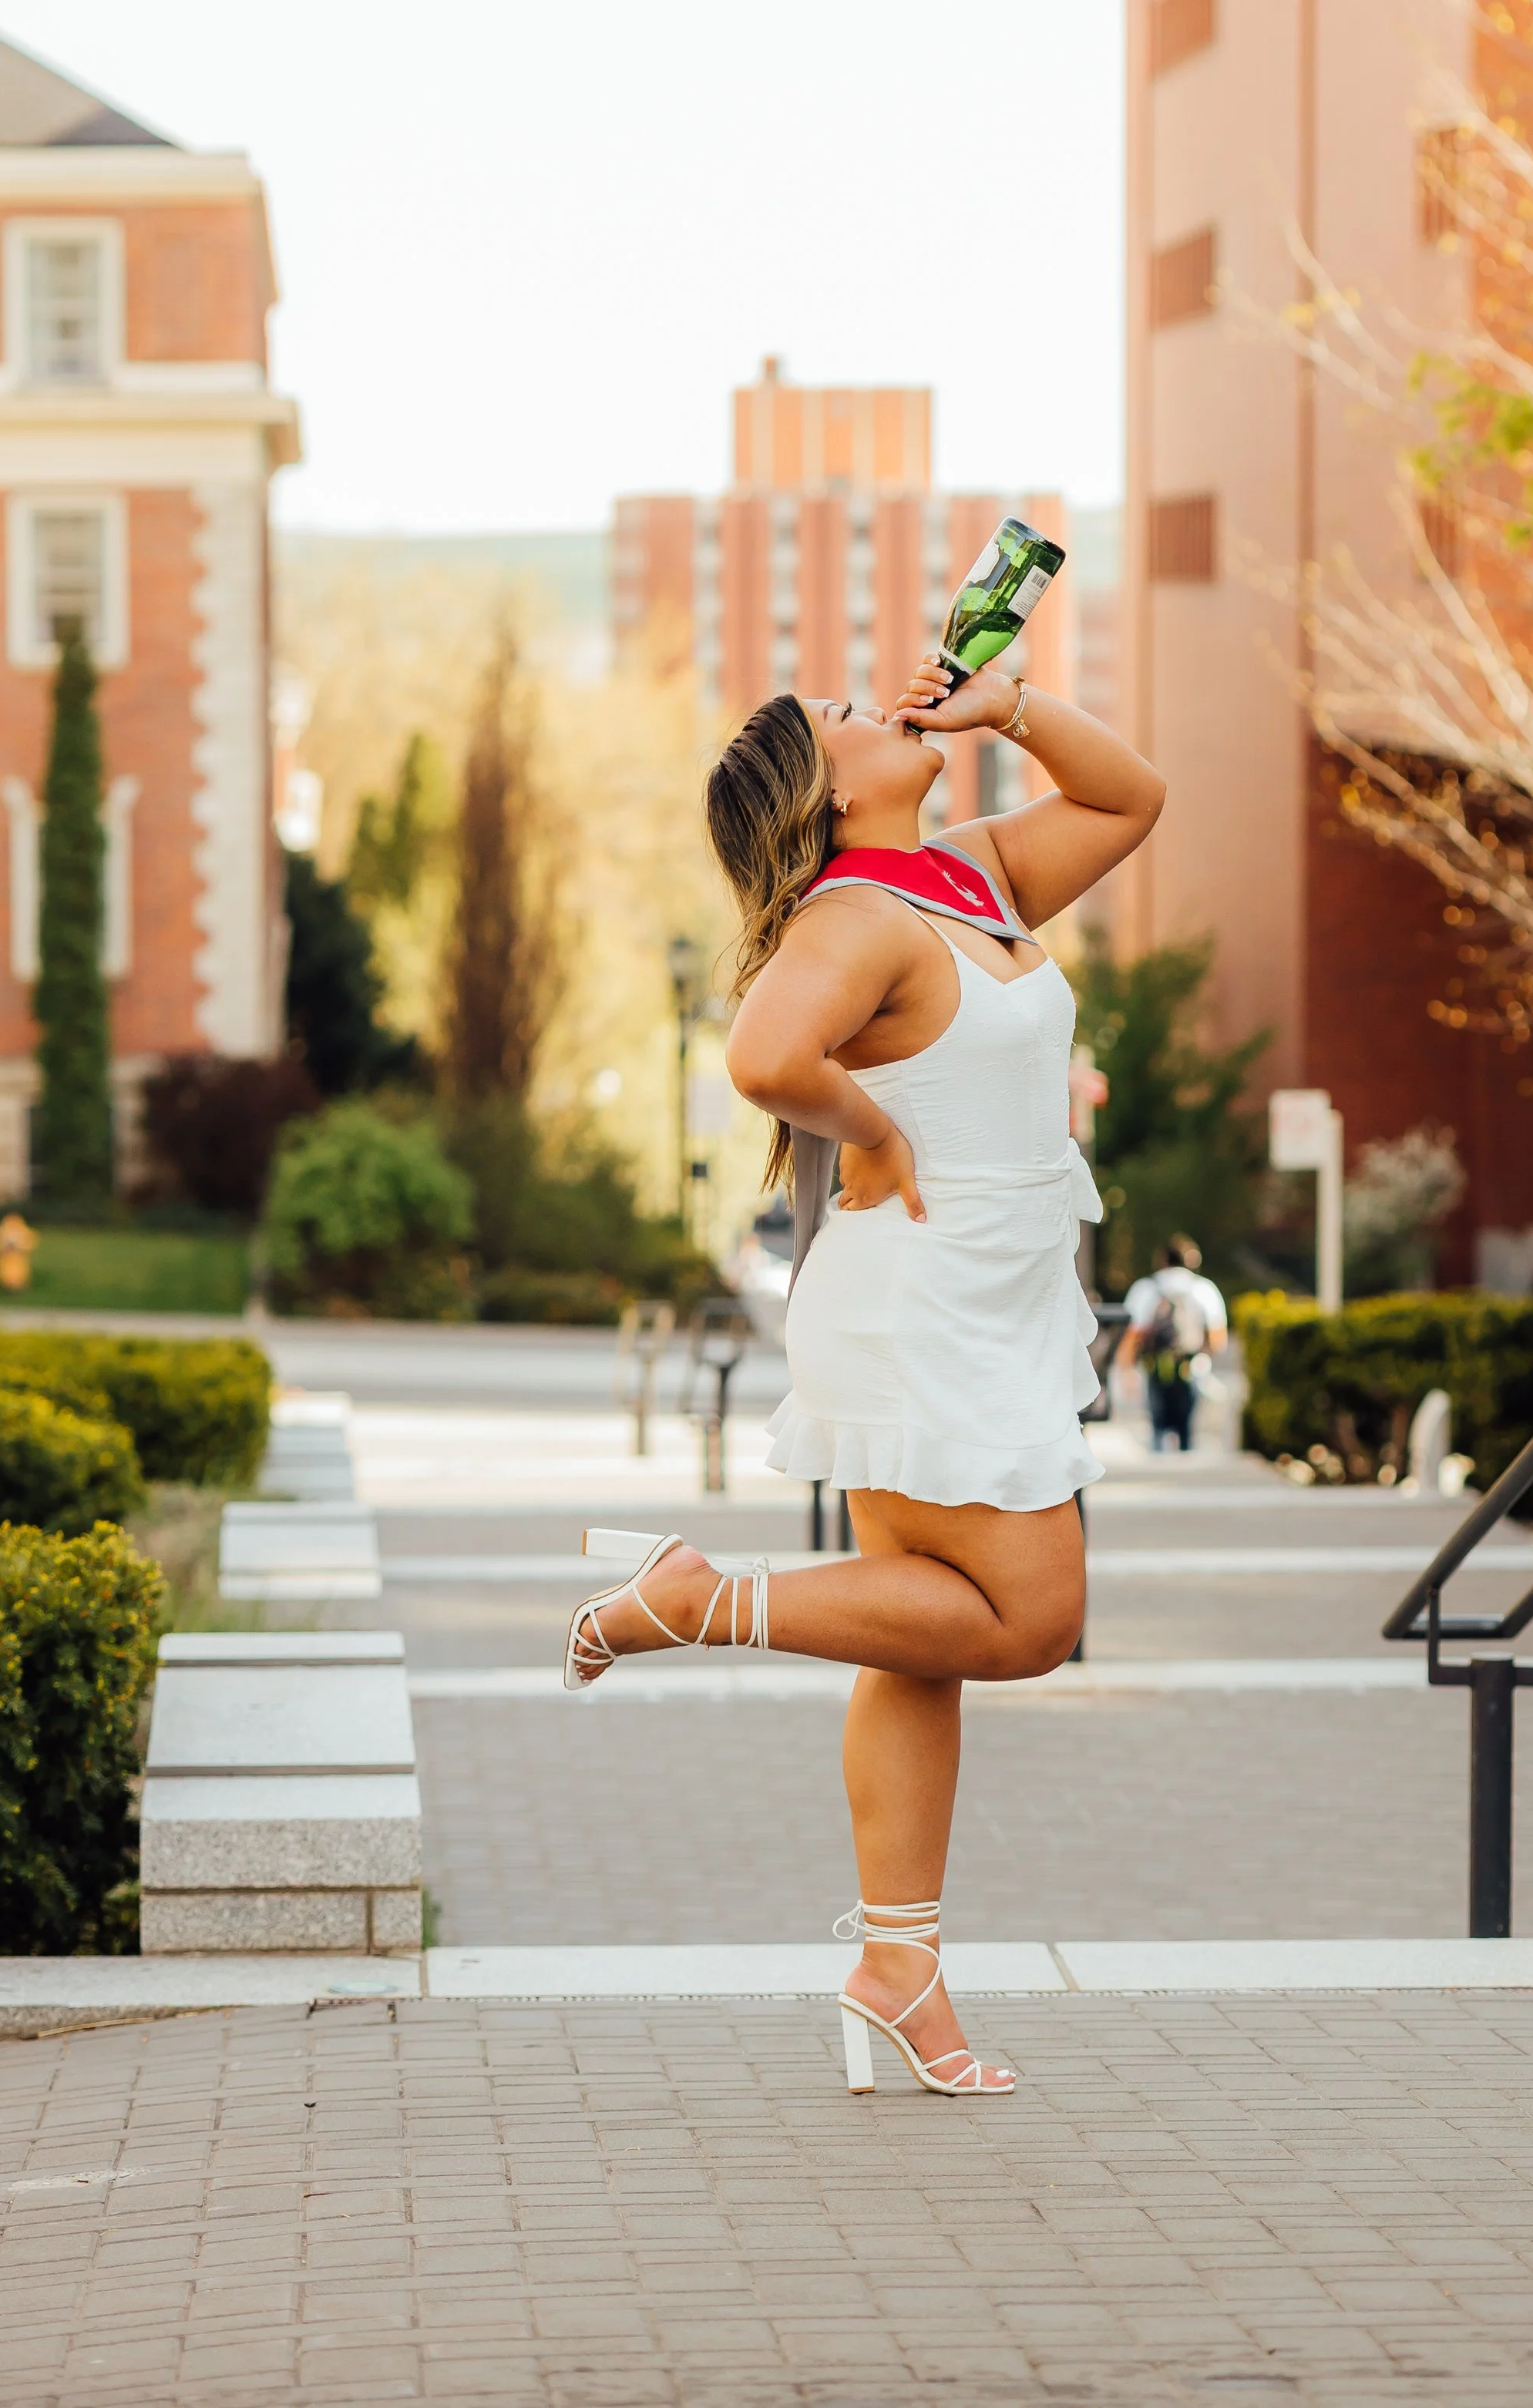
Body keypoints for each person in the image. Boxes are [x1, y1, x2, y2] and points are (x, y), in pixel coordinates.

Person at [562, 656, 1163, 2097]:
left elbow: (1131, 798)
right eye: (843, 713)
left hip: (987, 1299)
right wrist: (876, 1136)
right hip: (926, 1306)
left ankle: (899, 1963)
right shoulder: (854, 917)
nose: (874, 701)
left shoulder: (966, 878)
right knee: (1031, 1622)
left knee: (926, 1644)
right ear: (829, 795)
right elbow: (768, 1053)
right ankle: (700, 1599)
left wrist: (1008, 707)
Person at [1120, 1236, 1229, 1453]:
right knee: (1188, 1430)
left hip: (1154, 1369)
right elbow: (1218, 1341)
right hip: (1192, 1369)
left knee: (1157, 1428)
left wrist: (1127, 1371)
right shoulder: (1204, 1289)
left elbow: (1132, 1336)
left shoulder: (1146, 1288)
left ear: (1162, 1260)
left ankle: (1159, 1463)